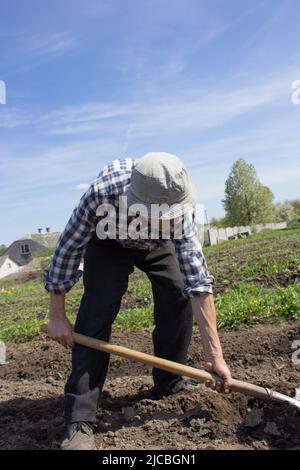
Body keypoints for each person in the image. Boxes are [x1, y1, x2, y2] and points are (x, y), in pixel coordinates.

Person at [44, 152, 232, 450]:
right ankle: (79, 418)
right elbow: (67, 250)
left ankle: (170, 382)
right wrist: (57, 315)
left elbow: (197, 280)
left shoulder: (178, 209)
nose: (172, 220)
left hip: (155, 246)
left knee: (178, 291)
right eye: (163, 216)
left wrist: (215, 356)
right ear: (137, 205)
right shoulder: (101, 195)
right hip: (108, 243)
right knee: (97, 308)